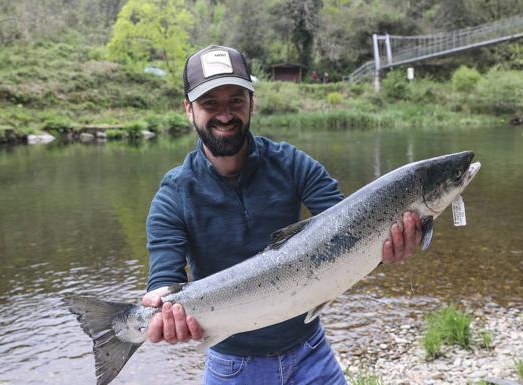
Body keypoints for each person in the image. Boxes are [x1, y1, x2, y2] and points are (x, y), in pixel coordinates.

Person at [142, 45, 422, 385]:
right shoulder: (173, 196)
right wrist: (159, 306)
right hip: (231, 367)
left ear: (251, 104)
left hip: (310, 352)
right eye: (209, 103)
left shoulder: (293, 164)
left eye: (235, 101)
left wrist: (385, 249)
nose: (225, 114)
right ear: (188, 109)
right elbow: (164, 279)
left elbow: (351, 232)